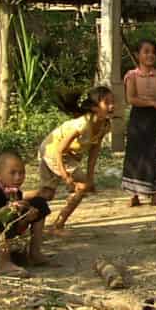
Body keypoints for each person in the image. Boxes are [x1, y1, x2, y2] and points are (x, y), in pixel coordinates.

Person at [35, 86, 114, 236]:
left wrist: (91, 177)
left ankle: (14, 196)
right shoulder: (82, 125)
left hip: (66, 155)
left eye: (113, 102)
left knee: (47, 193)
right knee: (82, 186)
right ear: (94, 107)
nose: (112, 106)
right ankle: (57, 226)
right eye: (107, 102)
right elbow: (59, 150)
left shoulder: (105, 125)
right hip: (52, 150)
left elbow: (94, 151)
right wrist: (65, 176)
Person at [0, 151, 51, 276]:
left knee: (39, 204)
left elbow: (18, 222)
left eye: (22, 173)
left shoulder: (15, 191)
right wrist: (5, 211)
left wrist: (27, 217)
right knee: (7, 213)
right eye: (12, 173)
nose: (18, 177)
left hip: (8, 230)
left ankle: (35, 253)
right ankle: (3, 263)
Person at [122, 39, 156, 207]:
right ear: (137, 55)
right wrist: (152, 103)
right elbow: (131, 99)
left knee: (152, 154)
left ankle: (154, 194)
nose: (150, 55)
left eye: (153, 52)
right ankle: (133, 195)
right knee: (134, 154)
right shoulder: (132, 76)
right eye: (146, 51)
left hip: (153, 119)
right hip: (137, 119)